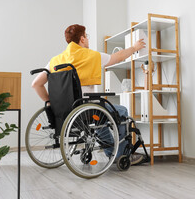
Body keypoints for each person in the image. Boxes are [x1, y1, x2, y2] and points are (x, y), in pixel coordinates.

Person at [32, 24, 146, 165]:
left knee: (100, 119)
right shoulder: (90, 56)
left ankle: (111, 152)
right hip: (85, 109)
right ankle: (122, 155)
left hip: (64, 112)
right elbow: (116, 58)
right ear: (82, 39)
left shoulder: (56, 61)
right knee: (121, 111)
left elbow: (36, 84)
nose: (87, 39)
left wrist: (50, 102)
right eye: (87, 36)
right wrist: (134, 48)